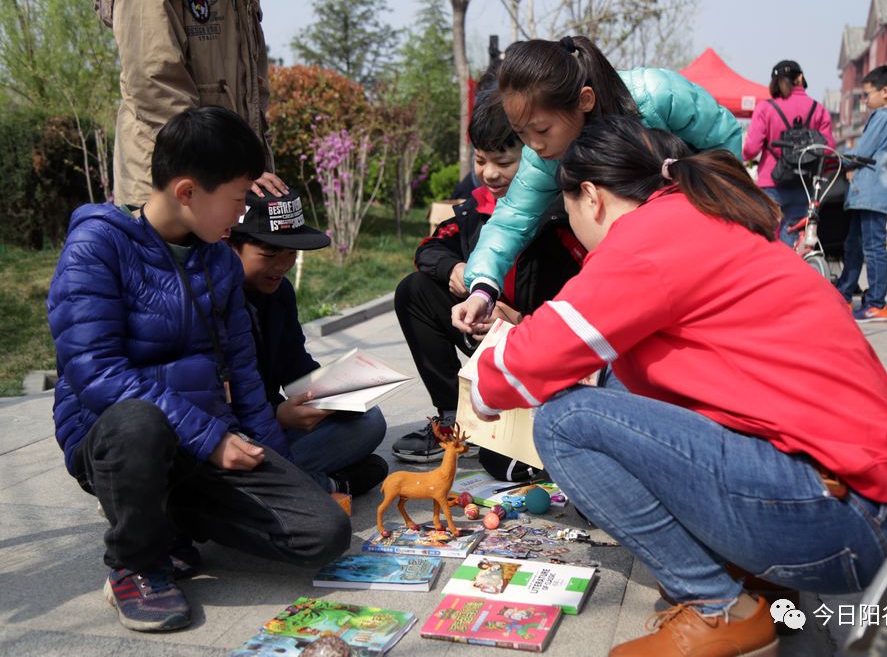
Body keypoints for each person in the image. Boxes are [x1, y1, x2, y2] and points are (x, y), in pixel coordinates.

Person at [469, 115, 887, 656]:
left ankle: (718, 606)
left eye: (567, 211)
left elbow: (523, 365)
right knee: (614, 379)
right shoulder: (698, 220)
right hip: (855, 507)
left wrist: (484, 380)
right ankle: (750, 581)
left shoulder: (650, 238)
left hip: (841, 522)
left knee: (567, 422)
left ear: (590, 196)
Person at [47, 107, 351, 633]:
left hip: (206, 436)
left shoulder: (218, 261)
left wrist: (279, 471)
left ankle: (167, 517)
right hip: (120, 439)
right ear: (188, 191)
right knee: (138, 421)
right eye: (236, 200)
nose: (239, 216)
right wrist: (210, 438)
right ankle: (135, 564)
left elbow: (244, 372)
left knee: (325, 532)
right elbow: (95, 372)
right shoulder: (98, 246)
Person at [452, 35, 743, 334]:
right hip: (638, 267)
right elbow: (510, 221)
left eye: (541, 129)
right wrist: (483, 290)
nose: (534, 145)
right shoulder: (543, 157)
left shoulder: (655, 94)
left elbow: (724, 140)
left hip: (700, 232)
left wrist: (716, 212)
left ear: (585, 100)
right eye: (521, 133)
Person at [392, 94, 585, 479]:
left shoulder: (563, 219)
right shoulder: (474, 208)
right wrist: (456, 268)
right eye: (481, 161)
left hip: (540, 346)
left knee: (504, 464)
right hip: (485, 329)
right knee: (414, 290)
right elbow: (430, 248)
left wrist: (518, 319)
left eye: (504, 162)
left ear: (535, 156)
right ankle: (453, 418)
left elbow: (586, 305)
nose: (490, 174)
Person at [227, 188, 388, 496]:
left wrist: (335, 392)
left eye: (291, 254)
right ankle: (324, 485)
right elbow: (211, 405)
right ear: (232, 245)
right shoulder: (215, 302)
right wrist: (276, 414)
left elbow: (294, 367)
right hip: (233, 436)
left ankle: (287, 485)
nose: (282, 265)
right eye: (269, 254)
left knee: (370, 420)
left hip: (274, 425)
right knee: (235, 473)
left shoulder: (280, 294)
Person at [106, 0, 286, 206]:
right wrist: (229, 170)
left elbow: (254, 90)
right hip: (172, 186)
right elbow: (156, 86)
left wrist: (249, 167)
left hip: (228, 181)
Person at [836, 65, 887, 323]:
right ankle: (845, 292)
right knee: (855, 244)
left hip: (872, 191)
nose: (865, 100)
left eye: (867, 94)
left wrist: (845, 163)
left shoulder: (884, 118)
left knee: (872, 247)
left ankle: (876, 303)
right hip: (871, 191)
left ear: (885, 91)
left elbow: (863, 151)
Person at [742, 60, 835, 248]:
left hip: (771, 184)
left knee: (767, 239)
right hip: (803, 184)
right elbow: (828, 150)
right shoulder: (818, 110)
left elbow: (750, 150)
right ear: (800, 78)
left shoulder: (766, 108)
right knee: (793, 239)